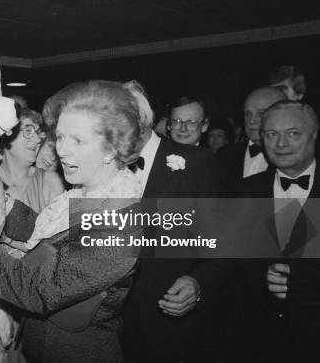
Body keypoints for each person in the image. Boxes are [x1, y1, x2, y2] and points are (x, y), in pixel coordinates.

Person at [0, 80, 145, 362]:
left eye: (77, 140)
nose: (61, 150)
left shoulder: (121, 221)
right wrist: (0, 201)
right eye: (60, 137)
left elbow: (41, 289)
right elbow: (55, 238)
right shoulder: (91, 195)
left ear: (111, 149)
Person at [123, 81, 232, 362]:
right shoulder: (102, 161)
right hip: (112, 322)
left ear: (145, 116)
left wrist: (198, 284)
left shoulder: (196, 162)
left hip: (170, 317)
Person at [239, 100, 319, 361]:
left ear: (314, 133)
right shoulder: (244, 191)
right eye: (272, 134)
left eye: (293, 133)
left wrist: (302, 285)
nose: (281, 144)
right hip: (260, 343)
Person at [0, 108, 65, 251]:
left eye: (38, 133)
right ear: (5, 135)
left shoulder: (49, 182)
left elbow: (58, 248)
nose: (38, 139)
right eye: (28, 131)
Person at [217, 86, 286, 195]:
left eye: (260, 113)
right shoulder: (225, 155)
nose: (251, 121)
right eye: (247, 114)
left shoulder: (292, 156)